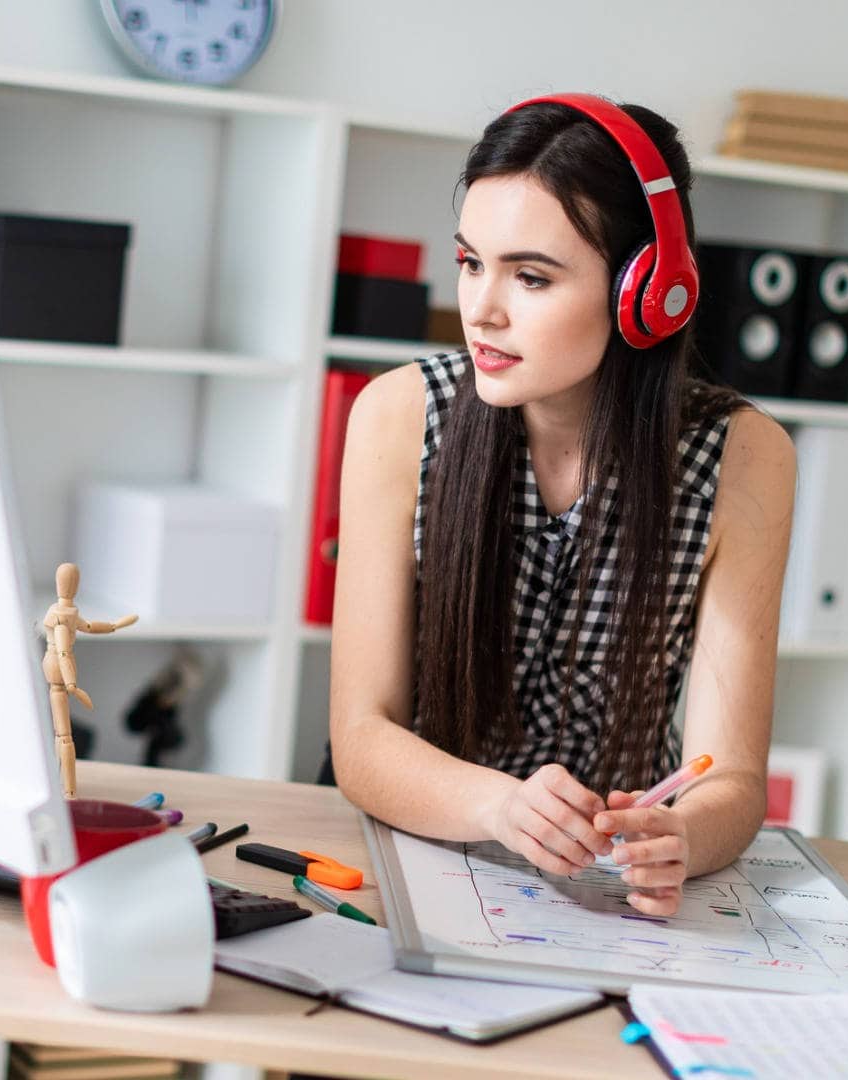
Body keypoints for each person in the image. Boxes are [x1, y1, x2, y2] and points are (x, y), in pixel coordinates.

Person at [326, 94, 795, 916]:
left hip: (604, 894)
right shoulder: (398, 414)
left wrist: (682, 836)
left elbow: (736, 780)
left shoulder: (745, 458)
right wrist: (499, 807)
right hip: (415, 858)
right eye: (472, 263)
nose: (482, 309)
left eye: (531, 276)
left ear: (646, 292)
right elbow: (361, 741)